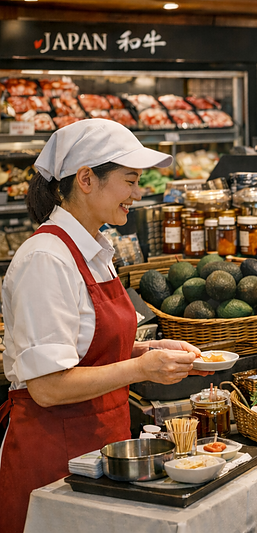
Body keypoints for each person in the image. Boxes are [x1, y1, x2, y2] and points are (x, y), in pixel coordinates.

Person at [0, 119, 212, 532]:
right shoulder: (46, 258)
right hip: (54, 459)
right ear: (85, 179)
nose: (137, 193)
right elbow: (46, 386)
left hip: (102, 447)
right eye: (130, 181)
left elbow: (83, 348)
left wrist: (144, 352)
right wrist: (138, 370)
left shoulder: (96, 249)